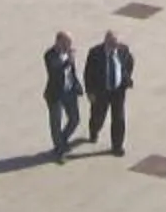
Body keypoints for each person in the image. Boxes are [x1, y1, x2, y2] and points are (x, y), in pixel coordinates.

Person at [82, 30, 135, 155]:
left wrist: (126, 77)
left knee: (119, 119)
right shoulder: (95, 53)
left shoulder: (123, 50)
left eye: (116, 43)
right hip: (101, 91)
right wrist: (90, 92)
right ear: (105, 41)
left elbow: (129, 62)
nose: (114, 46)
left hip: (118, 91)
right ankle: (94, 131)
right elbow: (88, 73)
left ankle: (117, 146)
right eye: (111, 43)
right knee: (98, 116)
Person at [42, 31, 83, 161]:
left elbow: (72, 72)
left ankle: (62, 139)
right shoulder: (50, 55)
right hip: (55, 94)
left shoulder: (68, 53)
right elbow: (55, 71)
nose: (69, 46)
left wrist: (77, 84)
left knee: (75, 119)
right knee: (56, 123)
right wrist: (68, 61)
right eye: (66, 43)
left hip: (69, 91)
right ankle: (59, 150)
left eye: (70, 43)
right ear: (58, 41)